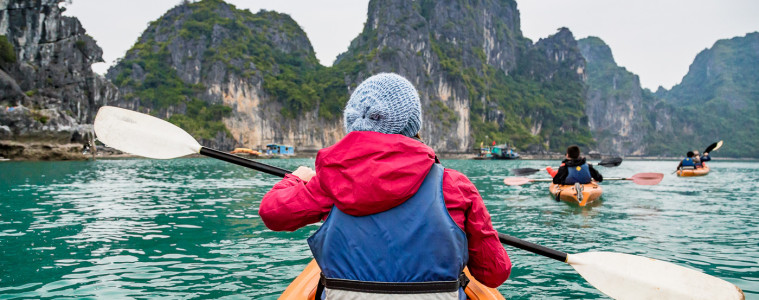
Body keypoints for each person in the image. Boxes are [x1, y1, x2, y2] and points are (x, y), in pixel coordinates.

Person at [259, 73, 511, 298]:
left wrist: (297, 178)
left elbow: (272, 213)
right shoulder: (456, 186)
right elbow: (494, 274)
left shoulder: (328, 182)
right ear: (412, 124)